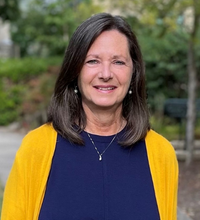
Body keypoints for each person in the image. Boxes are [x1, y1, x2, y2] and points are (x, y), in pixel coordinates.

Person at [1, 13, 178, 220]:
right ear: (75, 71)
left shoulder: (161, 154)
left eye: (118, 62)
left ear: (134, 73)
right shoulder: (36, 148)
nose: (105, 73)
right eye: (92, 61)